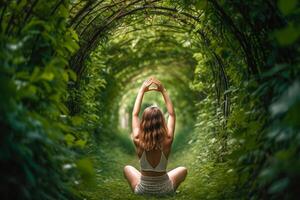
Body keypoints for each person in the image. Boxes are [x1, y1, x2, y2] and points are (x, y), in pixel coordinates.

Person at [123, 77, 187, 196]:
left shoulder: (137, 138)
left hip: (142, 190)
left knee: (127, 168)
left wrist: (142, 90)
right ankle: (170, 193)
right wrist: (163, 90)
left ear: (144, 122)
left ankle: (146, 190)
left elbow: (135, 114)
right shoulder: (168, 139)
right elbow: (172, 115)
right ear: (162, 121)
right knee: (183, 170)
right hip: (165, 190)